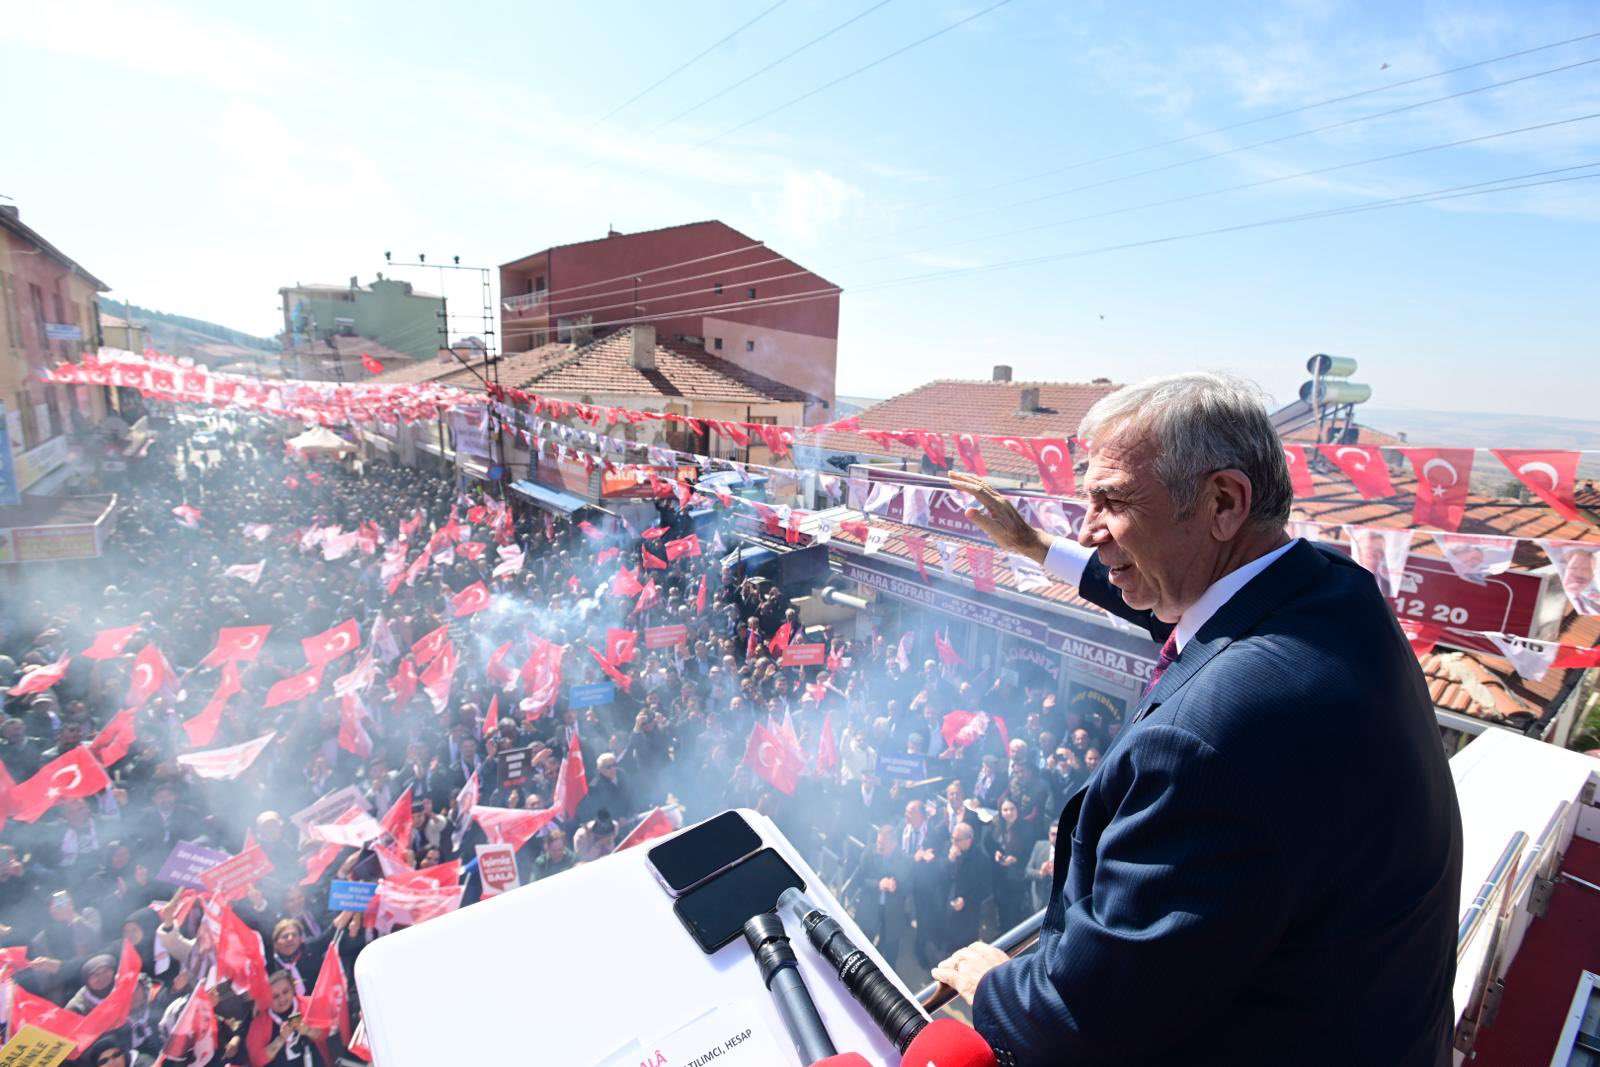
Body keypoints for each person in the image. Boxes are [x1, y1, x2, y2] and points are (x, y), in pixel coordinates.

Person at [939, 373, 1461, 1065]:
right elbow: (1193, 608)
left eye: (1112, 500)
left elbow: (1083, 1022)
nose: (1089, 530)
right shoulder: (1330, 590)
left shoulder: (1206, 741)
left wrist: (995, 987)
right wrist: (1035, 547)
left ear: (1222, 501)